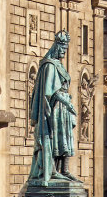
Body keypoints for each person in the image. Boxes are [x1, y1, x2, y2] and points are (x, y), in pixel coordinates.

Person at [26, 31, 78, 187]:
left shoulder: (58, 65)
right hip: (55, 108)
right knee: (56, 139)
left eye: (65, 49)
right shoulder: (49, 65)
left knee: (66, 139)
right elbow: (50, 91)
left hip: (63, 109)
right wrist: (67, 103)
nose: (63, 52)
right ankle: (53, 170)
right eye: (62, 48)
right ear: (56, 46)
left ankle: (65, 170)